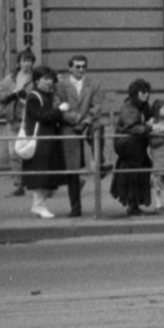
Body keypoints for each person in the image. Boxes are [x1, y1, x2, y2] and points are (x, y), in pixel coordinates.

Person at [56, 55, 102, 217]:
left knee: (99, 130)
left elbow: (96, 106)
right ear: (70, 68)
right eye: (77, 66)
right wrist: (75, 120)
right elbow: (59, 107)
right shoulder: (61, 85)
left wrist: (86, 121)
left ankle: (101, 161)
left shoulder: (93, 84)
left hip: (87, 125)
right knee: (72, 168)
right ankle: (76, 207)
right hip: (69, 127)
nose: (81, 69)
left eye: (84, 66)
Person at [21, 66, 67, 219]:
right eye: (45, 79)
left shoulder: (48, 95)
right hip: (39, 140)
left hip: (47, 139)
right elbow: (42, 116)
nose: (49, 82)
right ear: (36, 80)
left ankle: (39, 205)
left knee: (46, 173)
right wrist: (59, 110)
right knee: (40, 174)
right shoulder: (34, 96)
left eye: (50, 78)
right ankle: (38, 206)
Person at [0, 49, 36, 197]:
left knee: (31, 152)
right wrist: (12, 93)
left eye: (30, 60)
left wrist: (28, 99)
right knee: (14, 153)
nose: (27, 63)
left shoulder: (36, 78)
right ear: (18, 63)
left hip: (29, 120)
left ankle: (36, 182)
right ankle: (18, 185)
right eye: (24, 60)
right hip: (13, 119)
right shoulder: (10, 79)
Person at [110, 98, 153, 216]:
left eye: (146, 92)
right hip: (129, 147)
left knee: (139, 172)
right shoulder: (129, 108)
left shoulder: (143, 107)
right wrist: (148, 127)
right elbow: (133, 128)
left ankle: (134, 205)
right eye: (141, 92)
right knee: (132, 173)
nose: (145, 94)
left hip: (137, 148)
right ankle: (132, 206)